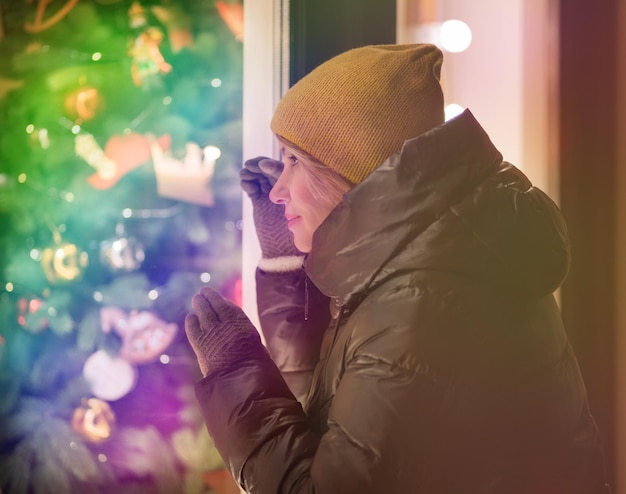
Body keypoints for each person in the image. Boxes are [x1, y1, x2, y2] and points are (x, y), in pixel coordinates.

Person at [184, 44, 611, 493]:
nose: (278, 190)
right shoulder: (429, 265)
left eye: (294, 160)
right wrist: (289, 267)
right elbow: (338, 417)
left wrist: (238, 381)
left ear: (349, 169)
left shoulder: (423, 304)